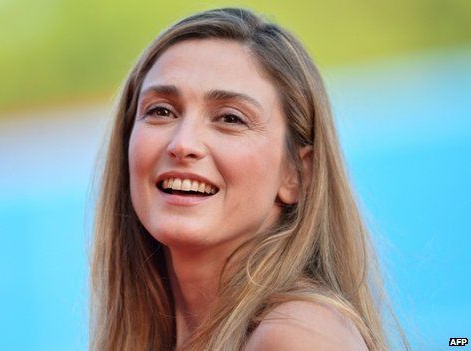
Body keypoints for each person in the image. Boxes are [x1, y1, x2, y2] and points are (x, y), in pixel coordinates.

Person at [91, 7, 406, 351]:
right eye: (161, 111)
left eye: (230, 118)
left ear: (298, 174)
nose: (183, 144)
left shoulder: (298, 336)